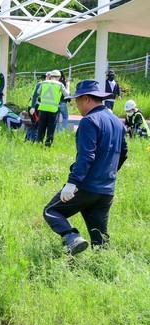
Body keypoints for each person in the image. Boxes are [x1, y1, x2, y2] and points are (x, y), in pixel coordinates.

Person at [43, 80, 128, 255]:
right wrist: (106, 173)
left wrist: (72, 183)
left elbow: (86, 155)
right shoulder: (117, 122)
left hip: (86, 187)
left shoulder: (89, 121)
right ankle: (104, 267)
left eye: (77, 100)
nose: (76, 105)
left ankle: (72, 238)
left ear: (87, 99)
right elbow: (124, 153)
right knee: (100, 237)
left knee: (51, 211)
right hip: (106, 189)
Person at [30, 70, 70, 147]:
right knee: (51, 128)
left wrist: (33, 107)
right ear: (59, 77)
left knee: (41, 127)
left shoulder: (43, 83)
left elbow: (36, 94)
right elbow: (67, 95)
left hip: (43, 108)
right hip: (53, 109)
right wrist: (67, 86)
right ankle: (48, 143)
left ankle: (39, 142)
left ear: (50, 76)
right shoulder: (60, 84)